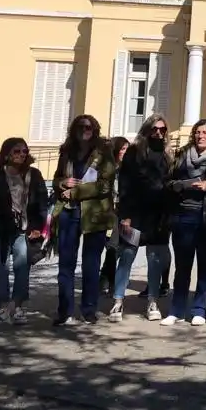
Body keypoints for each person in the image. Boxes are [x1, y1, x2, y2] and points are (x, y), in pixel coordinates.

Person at [160, 119, 206, 327]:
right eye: (198, 132)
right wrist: (179, 186)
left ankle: (200, 309)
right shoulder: (182, 153)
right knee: (182, 266)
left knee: (205, 265)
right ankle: (176, 310)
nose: (201, 136)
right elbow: (168, 180)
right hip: (182, 215)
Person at [0, 138, 48, 326]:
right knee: (0, 267)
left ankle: (17, 307)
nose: (22, 154)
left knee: (22, 266)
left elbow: (41, 204)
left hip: (23, 230)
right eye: (17, 151)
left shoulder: (34, 175)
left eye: (24, 151)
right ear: (7, 153)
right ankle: (2, 307)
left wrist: (38, 229)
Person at [51, 114, 115, 325]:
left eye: (89, 127)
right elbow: (56, 179)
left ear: (95, 130)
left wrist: (76, 192)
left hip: (93, 214)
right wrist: (62, 183)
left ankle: (89, 309)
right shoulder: (66, 151)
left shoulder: (104, 154)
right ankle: (65, 310)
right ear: (74, 129)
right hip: (69, 213)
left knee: (91, 264)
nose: (85, 130)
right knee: (66, 264)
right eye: (81, 126)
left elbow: (105, 186)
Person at [109, 114, 173, 323]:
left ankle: (152, 300)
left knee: (154, 261)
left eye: (162, 130)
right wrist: (125, 215)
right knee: (126, 256)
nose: (158, 133)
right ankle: (118, 301)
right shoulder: (134, 153)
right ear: (147, 130)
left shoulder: (168, 154)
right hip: (135, 214)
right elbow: (125, 185)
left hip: (158, 215)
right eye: (155, 129)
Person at [99, 136, 130, 296]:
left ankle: (105, 278)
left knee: (120, 248)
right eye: (123, 149)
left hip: (123, 212)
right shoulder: (106, 168)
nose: (125, 152)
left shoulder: (128, 169)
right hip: (109, 212)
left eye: (127, 149)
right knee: (112, 247)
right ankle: (109, 282)